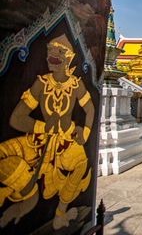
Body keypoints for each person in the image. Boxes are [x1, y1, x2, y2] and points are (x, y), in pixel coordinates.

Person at [3, 35, 94, 230]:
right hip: (39, 138)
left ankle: (60, 214)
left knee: (80, 164)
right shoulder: (41, 84)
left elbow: (90, 109)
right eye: (50, 50)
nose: (52, 55)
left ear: (68, 58)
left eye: (59, 52)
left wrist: (84, 133)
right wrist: (43, 127)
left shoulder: (75, 85)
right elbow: (16, 119)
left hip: (66, 140)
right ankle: (22, 194)